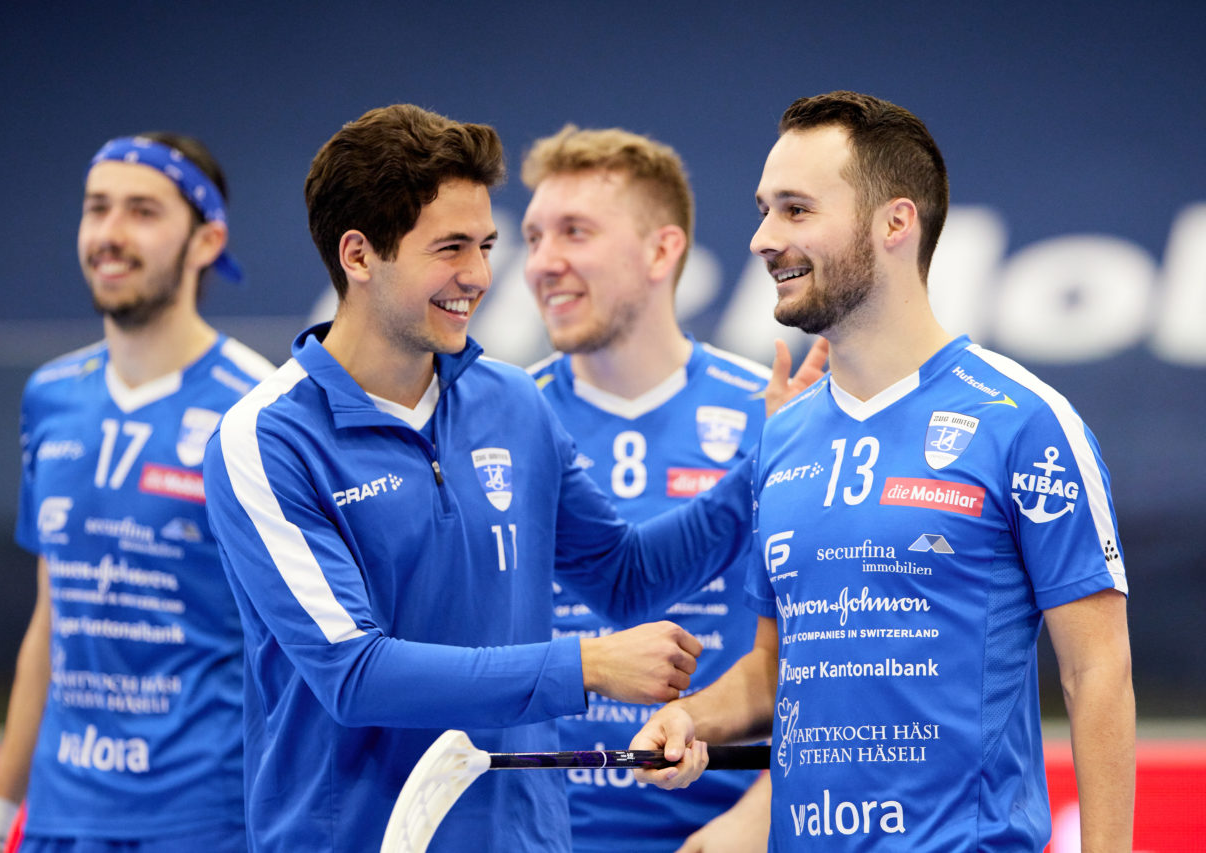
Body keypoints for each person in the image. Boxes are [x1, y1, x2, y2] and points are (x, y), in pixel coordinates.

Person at [200, 104, 819, 853]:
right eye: (451, 248)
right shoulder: (265, 437)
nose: (481, 276)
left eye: (487, 245)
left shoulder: (513, 401)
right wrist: (587, 665)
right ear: (359, 256)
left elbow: (625, 578)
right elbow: (353, 673)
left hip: (524, 839)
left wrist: (764, 460)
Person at [630, 91, 1135, 852]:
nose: (763, 238)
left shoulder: (1025, 421)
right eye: (765, 211)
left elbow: (1097, 672)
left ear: (896, 223)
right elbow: (775, 666)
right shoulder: (781, 438)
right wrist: (689, 716)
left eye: (796, 210)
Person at [0, 134, 274, 853]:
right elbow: (51, 621)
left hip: (207, 820)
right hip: (60, 817)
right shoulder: (49, 396)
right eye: (97, 207)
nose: (109, 233)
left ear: (207, 240)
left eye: (142, 211)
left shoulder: (259, 408)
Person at [521, 124, 826, 852]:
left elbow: (829, 659)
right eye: (531, 238)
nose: (541, 263)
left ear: (662, 251)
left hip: (727, 832)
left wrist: (754, 823)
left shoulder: (776, 412)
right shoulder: (499, 423)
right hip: (538, 832)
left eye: (574, 231)